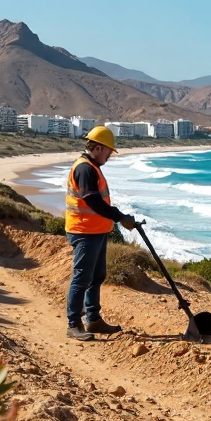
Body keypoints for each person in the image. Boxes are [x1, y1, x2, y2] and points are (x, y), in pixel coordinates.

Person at [64, 126, 137, 341]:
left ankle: (93, 319)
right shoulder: (85, 169)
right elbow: (92, 201)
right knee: (82, 278)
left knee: (96, 277)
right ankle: (74, 324)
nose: (109, 156)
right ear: (97, 147)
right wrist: (119, 216)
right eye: (107, 152)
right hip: (84, 231)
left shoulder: (92, 167)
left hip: (95, 231)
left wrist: (116, 218)